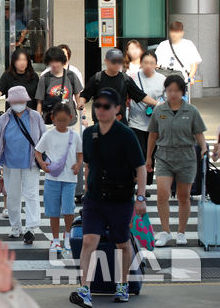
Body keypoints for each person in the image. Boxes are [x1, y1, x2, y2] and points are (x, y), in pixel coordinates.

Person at [70, 88, 147, 307]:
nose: (101, 110)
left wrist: (140, 198)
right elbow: (88, 165)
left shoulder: (126, 135)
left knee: (121, 243)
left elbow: (140, 168)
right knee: (88, 241)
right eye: (98, 105)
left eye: (106, 106)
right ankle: (85, 289)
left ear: (117, 109)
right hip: (94, 198)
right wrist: (86, 189)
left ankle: (122, 284)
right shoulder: (88, 133)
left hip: (120, 198)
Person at [147, 75, 206, 248]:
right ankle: (165, 232)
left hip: (186, 157)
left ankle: (181, 232)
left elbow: (199, 134)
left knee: (183, 196)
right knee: (162, 193)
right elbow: (152, 135)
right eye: (169, 90)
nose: (172, 94)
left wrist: (203, 148)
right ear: (165, 91)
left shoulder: (191, 111)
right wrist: (148, 157)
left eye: (176, 91)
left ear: (182, 92)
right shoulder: (159, 111)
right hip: (164, 156)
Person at [0, 86, 45, 244]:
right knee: (12, 195)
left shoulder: (35, 117)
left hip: (31, 163)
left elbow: (44, 138)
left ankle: (31, 227)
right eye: (15, 101)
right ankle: (16, 226)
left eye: (21, 101)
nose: (18, 104)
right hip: (10, 163)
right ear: (10, 102)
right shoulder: (4, 118)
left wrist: (46, 159)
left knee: (31, 194)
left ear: (26, 101)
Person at [34, 103, 83, 252]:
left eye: (64, 120)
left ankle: (68, 235)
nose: (61, 123)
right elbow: (37, 151)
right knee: (53, 211)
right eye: (58, 120)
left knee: (68, 210)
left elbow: (80, 153)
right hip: (52, 179)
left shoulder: (74, 136)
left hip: (69, 179)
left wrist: (78, 164)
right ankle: (55, 239)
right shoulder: (48, 135)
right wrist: (42, 163)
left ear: (70, 118)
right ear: (53, 119)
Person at [77, 48, 156, 124]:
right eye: (114, 61)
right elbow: (85, 95)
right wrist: (81, 101)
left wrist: (157, 104)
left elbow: (141, 95)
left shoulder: (126, 79)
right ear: (106, 61)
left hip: (119, 121)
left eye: (120, 61)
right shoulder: (97, 78)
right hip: (100, 122)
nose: (117, 64)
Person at [128, 52, 165, 194]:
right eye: (146, 62)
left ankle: (143, 184)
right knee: (139, 152)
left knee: (151, 154)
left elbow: (166, 98)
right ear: (141, 64)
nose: (148, 66)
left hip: (154, 123)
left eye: (151, 63)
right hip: (136, 121)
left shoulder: (162, 79)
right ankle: (135, 181)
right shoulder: (133, 77)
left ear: (156, 64)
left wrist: (159, 106)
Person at [35, 46, 83, 126]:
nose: (54, 64)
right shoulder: (45, 78)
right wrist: (38, 121)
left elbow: (78, 97)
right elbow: (39, 102)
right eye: (51, 61)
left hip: (69, 121)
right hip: (50, 122)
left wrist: (82, 110)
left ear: (62, 62)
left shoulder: (71, 76)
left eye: (57, 61)